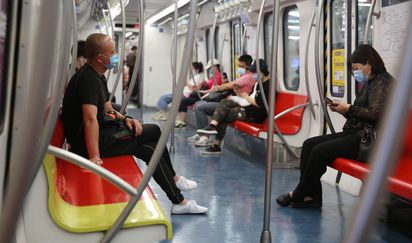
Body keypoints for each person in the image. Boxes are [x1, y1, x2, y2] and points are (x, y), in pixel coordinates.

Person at [62, 33, 207, 214]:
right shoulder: (88, 80)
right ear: (100, 58)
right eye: (113, 53)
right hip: (87, 144)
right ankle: (175, 180)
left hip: (99, 136)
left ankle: (180, 202)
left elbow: (107, 109)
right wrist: (94, 158)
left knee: (149, 149)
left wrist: (126, 119)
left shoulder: (98, 76)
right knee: (153, 130)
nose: (116, 57)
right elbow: (90, 119)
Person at [276, 45, 393, 209]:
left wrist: (349, 108)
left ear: (369, 63)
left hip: (370, 140)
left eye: (357, 68)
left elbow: (376, 114)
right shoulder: (370, 83)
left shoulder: (384, 81)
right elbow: (362, 114)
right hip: (357, 133)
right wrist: (343, 110)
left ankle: (298, 194)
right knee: (309, 144)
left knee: (319, 151)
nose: (355, 73)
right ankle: (312, 196)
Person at [196, 59, 270, 155]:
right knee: (224, 102)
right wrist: (239, 93)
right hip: (249, 107)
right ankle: (213, 126)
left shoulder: (268, 86)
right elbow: (250, 97)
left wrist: (244, 96)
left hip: (255, 114)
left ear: (261, 71)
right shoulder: (258, 83)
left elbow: (260, 103)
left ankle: (216, 145)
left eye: (255, 71)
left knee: (224, 115)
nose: (253, 74)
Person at [189, 56, 255, 147]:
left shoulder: (248, 77)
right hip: (231, 101)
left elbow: (229, 86)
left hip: (234, 104)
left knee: (200, 107)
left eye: (241, 66)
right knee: (198, 104)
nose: (239, 68)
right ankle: (203, 132)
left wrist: (217, 87)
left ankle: (205, 137)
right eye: (238, 66)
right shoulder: (243, 76)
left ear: (248, 66)